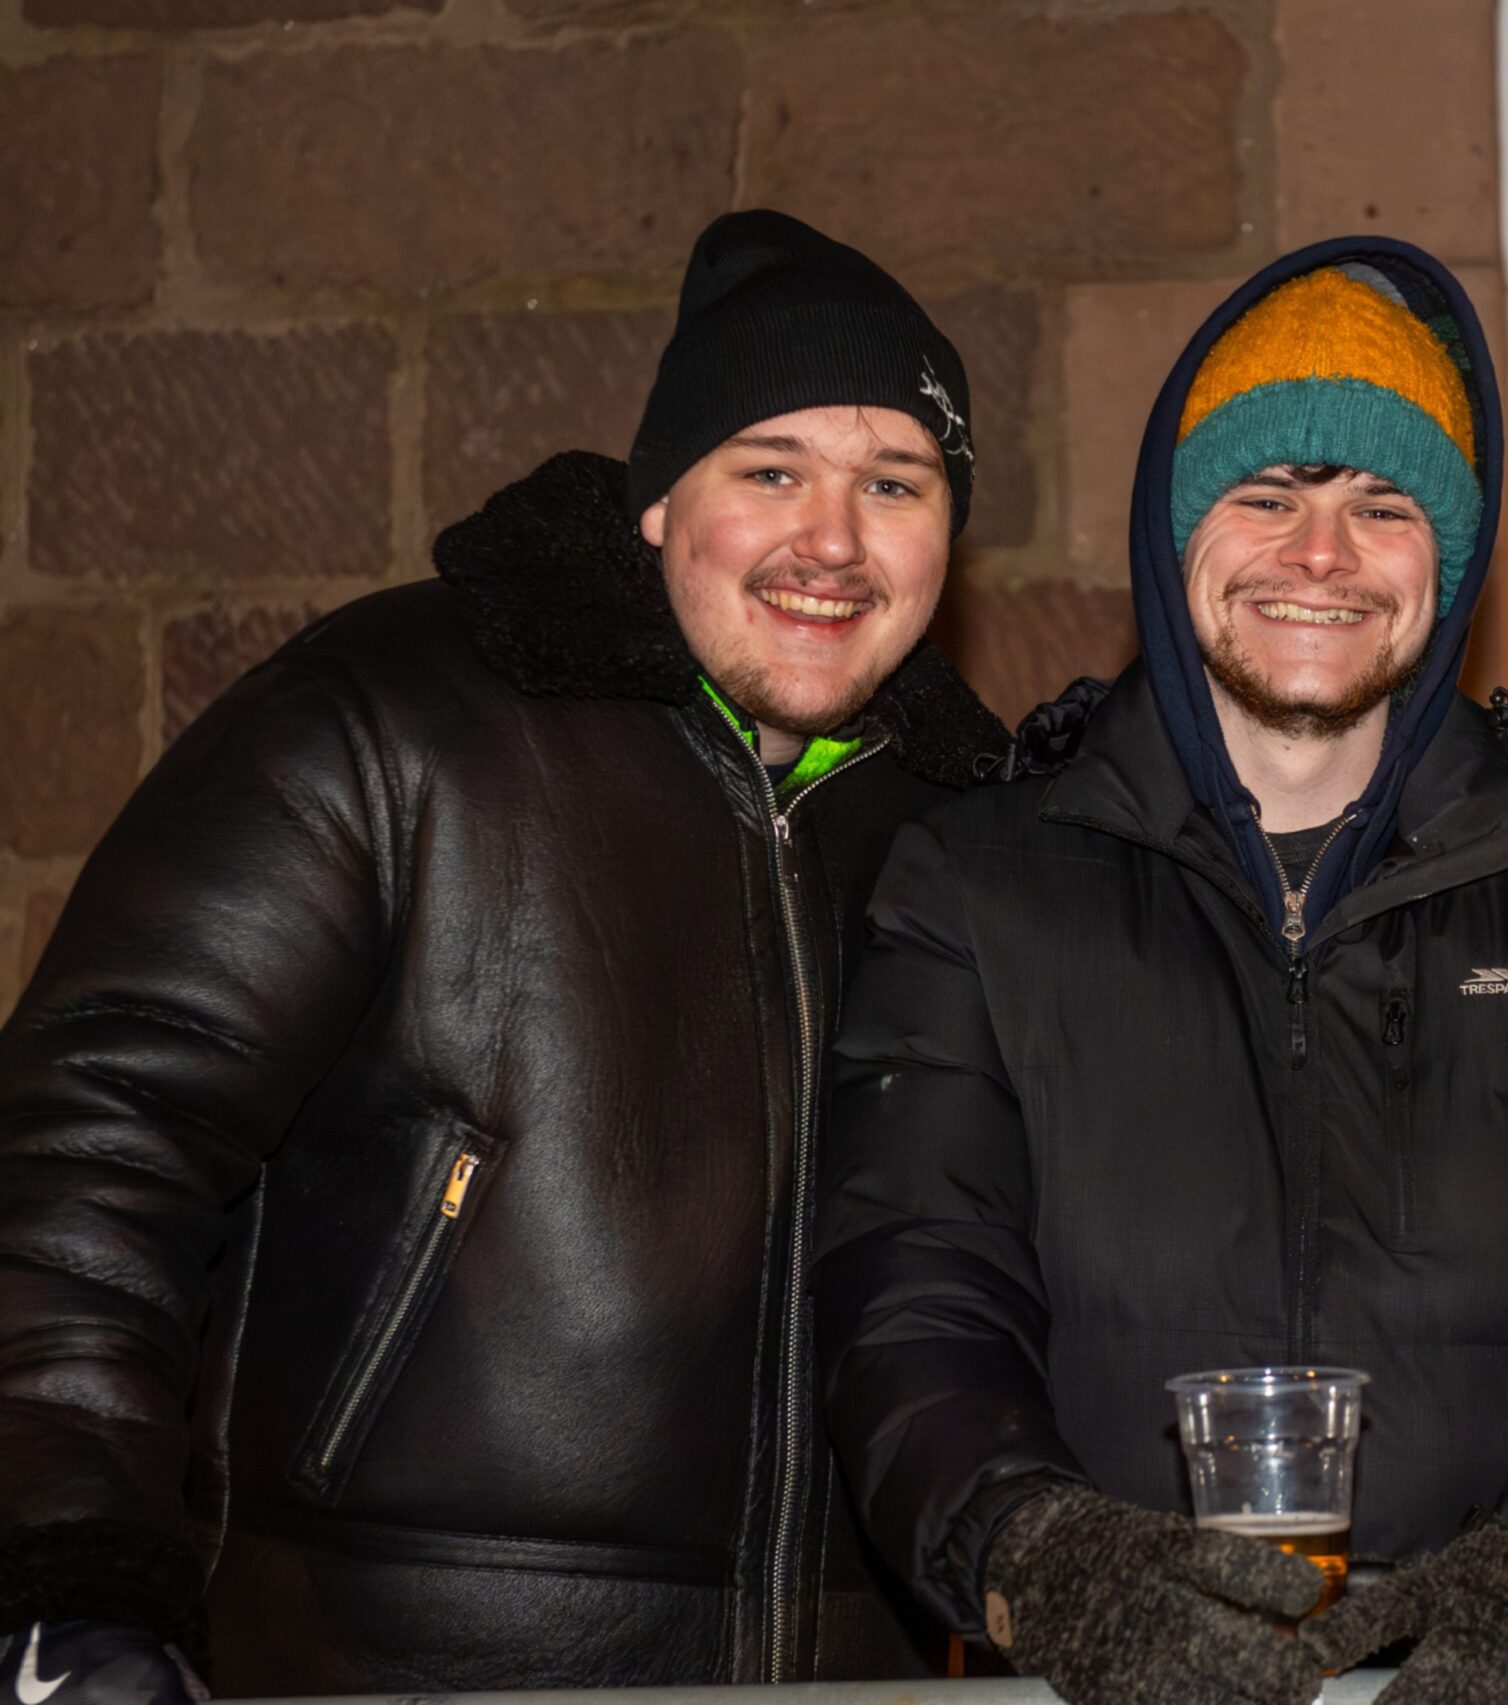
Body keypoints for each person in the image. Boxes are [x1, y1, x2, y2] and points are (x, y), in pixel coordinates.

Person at [0, 211, 1009, 1699]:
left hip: (847, 1676)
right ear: (662, 500)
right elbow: (89, 1150)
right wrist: (72, 1589)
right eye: (772, 469)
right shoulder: (392, 724)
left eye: (895, 483)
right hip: (393, 1663)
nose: (834, 541)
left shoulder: (967, 837)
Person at [813, 239, 1508, 1705]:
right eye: (1265, 495)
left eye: (1382, 506)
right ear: (1176, 535)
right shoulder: (976, 885)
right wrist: (1044, 1557)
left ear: (1445, 565)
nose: (1320, 555)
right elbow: (912, 1299)